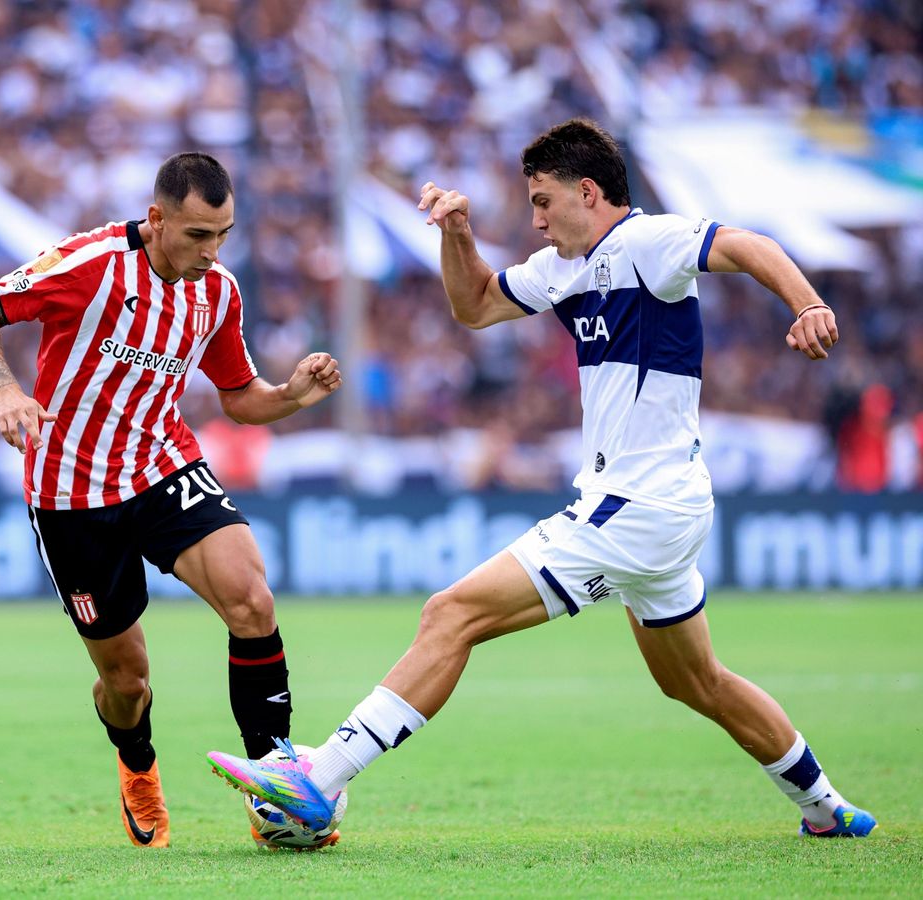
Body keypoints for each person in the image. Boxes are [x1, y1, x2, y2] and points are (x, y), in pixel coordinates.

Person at [207, 119, 877, 838]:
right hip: (661, 507)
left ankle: (319, 779)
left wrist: (806, 304)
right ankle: (826, 808)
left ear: (588, 193)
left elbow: (749, 244)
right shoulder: (563, 267)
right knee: (695, 681)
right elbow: (475, 307)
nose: (535, 218)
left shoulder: (648, 243)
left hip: (638, 507)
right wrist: (456, 233)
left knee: (450, 613)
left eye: (543, 200)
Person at [0, 152, 342, 849]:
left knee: (251, 600)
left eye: (223, 234)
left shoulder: (217, 291)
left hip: (161, 466)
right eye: (198, 235)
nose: (212, 251)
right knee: (127, 681)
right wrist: (7, 390)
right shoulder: (89, 263)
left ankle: (277, 780)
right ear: (157, 219)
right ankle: (137, 765)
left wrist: (290, 397)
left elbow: (239, 397)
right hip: (72, 494)